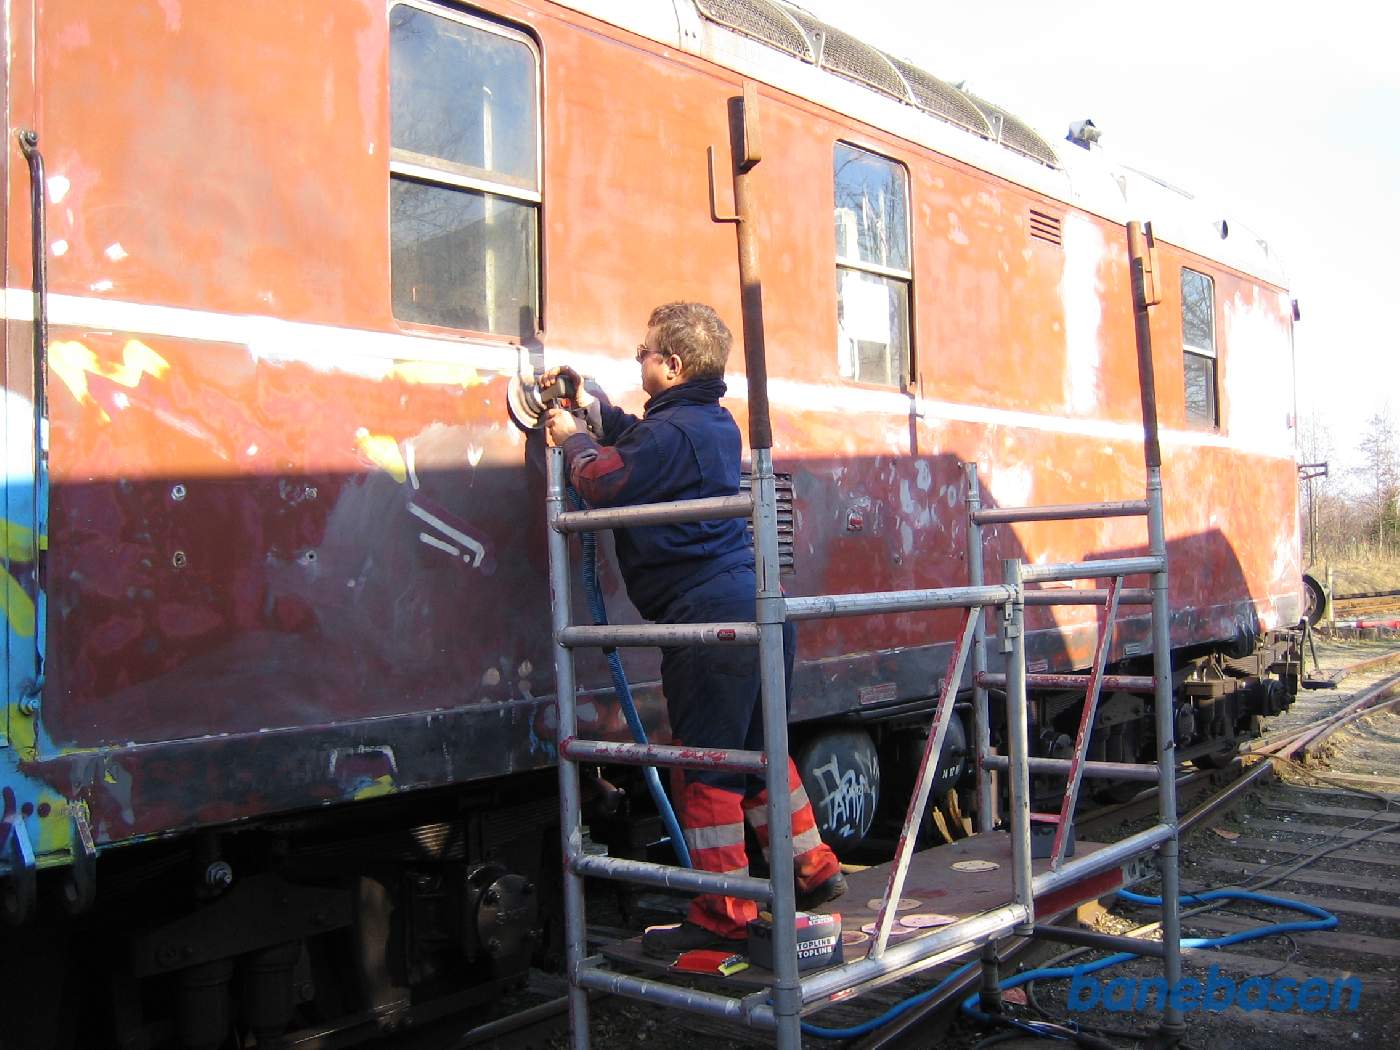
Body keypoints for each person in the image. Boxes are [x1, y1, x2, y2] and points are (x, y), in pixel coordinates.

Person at [543, 302, 845, 958]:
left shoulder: (670, 434)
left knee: (705, 766)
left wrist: (571, 437)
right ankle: (811, 866)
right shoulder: (709, 424)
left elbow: (599, 479)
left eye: (645, 353)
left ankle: (724, 917)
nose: (637, 359)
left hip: (707, 626)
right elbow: (650, 451)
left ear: (672, 366)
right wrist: (599, 414)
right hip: (757, 614)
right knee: (760, 751)